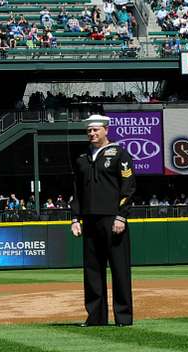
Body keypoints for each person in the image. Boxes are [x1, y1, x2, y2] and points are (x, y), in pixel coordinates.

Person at [70, 114, 136, 327]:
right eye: (89, 130)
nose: (92, 133)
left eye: (96, 130)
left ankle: (123, 318)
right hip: (89, 220)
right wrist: (75, 218)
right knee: (92, 272)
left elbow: (129, 186)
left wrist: (121, 215)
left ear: (106, 130)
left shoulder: (119, 154)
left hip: (113, 220)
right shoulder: (81, 158)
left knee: (119, 269)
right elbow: (77, 191)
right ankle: (95, 317)